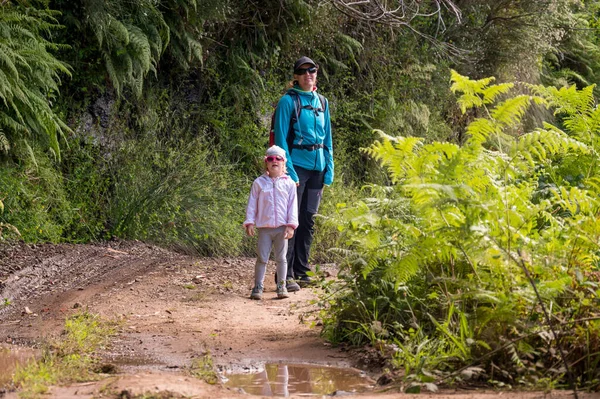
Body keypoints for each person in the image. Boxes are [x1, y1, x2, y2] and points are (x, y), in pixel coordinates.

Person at [273, 56, 334, 292]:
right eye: (303, 71)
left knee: (309, 221)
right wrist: (288, 171)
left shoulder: (323, 102)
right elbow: (280, 139)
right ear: (296, 76)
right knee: (292, 221)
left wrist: (329, 168)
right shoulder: (288, 101)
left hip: (317, 169)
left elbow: (327, 137)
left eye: (313, 70)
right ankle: (285, 275)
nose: (309, 74)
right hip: (296, 167)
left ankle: (302, 270)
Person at [244, 145, 298, 300]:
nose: (274, 161)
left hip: (282, 228)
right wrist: (250, 222)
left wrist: (291, 225)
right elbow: (252, 203)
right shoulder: (259, 183)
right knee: (262, 258)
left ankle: (282, 286)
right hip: (264, 228)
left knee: (281, 258)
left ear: (284, 163)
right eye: (271, 159)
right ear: (266, 162)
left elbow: (292, 206)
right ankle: (258, 286)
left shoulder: (289, 183)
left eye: (278, 159)